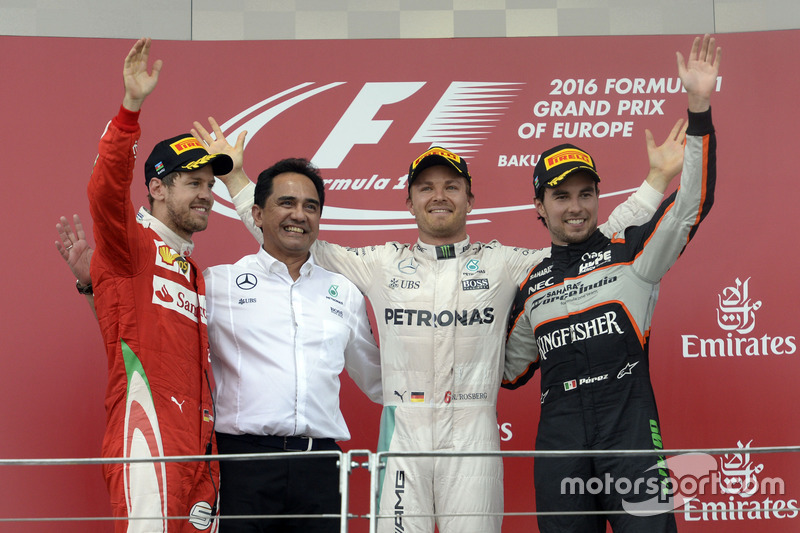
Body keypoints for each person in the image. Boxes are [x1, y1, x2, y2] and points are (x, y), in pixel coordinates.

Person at [193, 107, 685, 532]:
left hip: (474, 430)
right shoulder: (381, 261)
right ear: (409, 202)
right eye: (425, 187)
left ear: (470, 199)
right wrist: (238, 179)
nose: (439, 195)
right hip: (404, 430)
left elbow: (587, 241)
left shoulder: (504, 262)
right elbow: (294, 237)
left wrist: (655, 183)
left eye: (451, 185)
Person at [502, 34, 720, 532]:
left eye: (585, 193)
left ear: (598, 196)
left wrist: (699, 108)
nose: (575, 206)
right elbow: (507, 371)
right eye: (560, 196)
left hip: (629, 432)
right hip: (560, 439)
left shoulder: (632, 253)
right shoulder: (531, 284)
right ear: (540, 207)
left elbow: (692, 203)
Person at [82, 38, 234, 532]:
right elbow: (105, 189)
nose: (207, 196)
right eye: (194, 183)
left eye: (211, 186)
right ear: (157, 187)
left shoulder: (192, 269)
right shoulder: (131, 244)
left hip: (201, 444)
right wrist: (130, 111)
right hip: (146, 434)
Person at [203, 158, 382, 532]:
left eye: (310, 206)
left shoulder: (345, 292)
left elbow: (376, 379)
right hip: (242, 465)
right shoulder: (218, 284)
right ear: (257, 213)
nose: (298, 215)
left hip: (320, 466)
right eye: (286, 203)